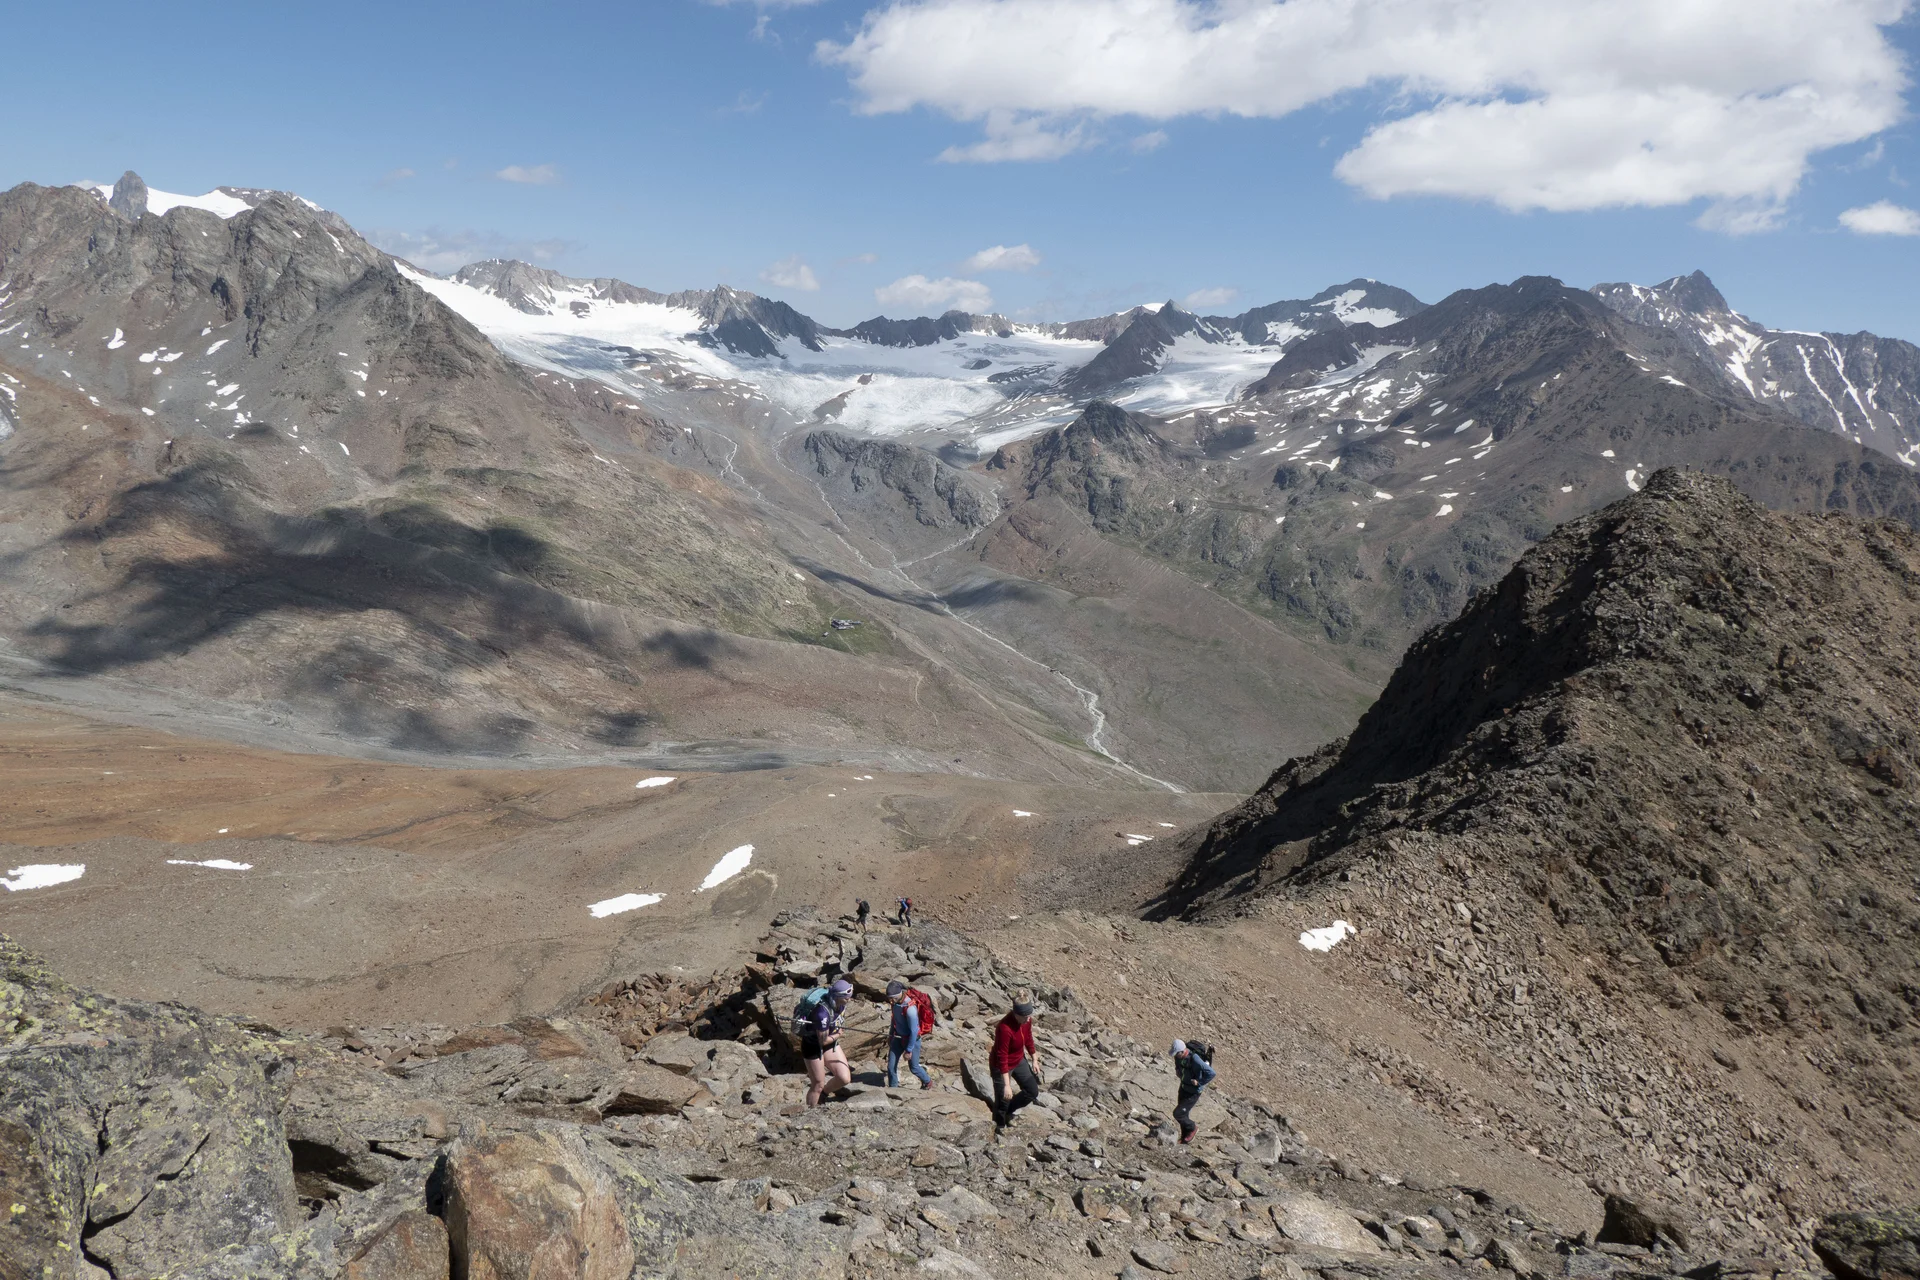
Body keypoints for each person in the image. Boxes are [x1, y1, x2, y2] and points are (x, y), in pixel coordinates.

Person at [800, 979, 855, 1107]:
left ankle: (823, 1095)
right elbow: (823, 1041)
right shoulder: (822, 1014)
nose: (849, 1000)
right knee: (818, 1084)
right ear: (837, 997)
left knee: (844, 1077)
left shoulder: (840, 1004)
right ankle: (810, 1111)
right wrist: (838, 1034)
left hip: (831, 1043)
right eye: (846, 998)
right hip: (813, 1046)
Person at [989, 1001, 1041, 1128]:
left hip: (1018, 1060)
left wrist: (1034, 1058)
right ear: (1016, 1014)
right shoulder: (1004, 1029)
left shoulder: (1026, 1020)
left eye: (1029, 1015)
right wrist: (1007, 1084)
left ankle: (1008, 1111)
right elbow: (1002, 1057)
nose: (1028, 1019)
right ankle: (999, 1126)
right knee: (1003, 1098)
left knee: (1032, 1091)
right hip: (1001, 1065)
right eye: (1025, 1016)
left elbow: (1028, 1038)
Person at [886, 980, 933, 1089]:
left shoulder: (910, 1009)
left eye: (893, 998)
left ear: (899, 995)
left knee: (914, 1068)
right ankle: (893, 1089)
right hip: (897, 1037)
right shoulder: (895, 1004)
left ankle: (928, 1081)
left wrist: (909, 1050)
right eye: (889, 998)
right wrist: (891, 1035)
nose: (891, 1001)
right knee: (890, 1066)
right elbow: (894, 1020)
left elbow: (914, 1031)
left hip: (912, 1040)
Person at [1169, 1039, 1216, 1144]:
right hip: (1183, 1087)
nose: (1175, 1056)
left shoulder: (1195, 1059)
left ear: (1182, 1051)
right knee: (1184, 1114)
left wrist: (1199, 1082)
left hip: (1193, 1092)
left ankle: (1193, 1128)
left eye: (1177, 1054)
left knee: (1178, 1114)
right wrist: (1178, 1070)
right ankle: (1184, 1138)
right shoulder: (1178, 1057)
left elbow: (1211, 1073)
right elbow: (1178, 1064)